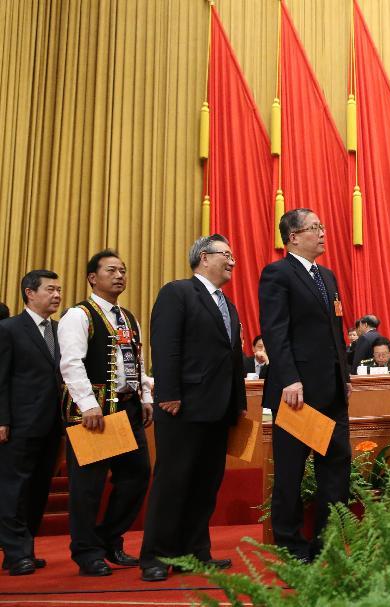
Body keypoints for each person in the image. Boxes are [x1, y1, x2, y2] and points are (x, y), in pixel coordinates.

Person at [139, 235, 247, 581]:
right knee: (173, 482)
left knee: (205, 484)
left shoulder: (227, 304)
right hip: (181, 407)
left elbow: (232, 359)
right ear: (204, 256)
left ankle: (194, 551)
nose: (232, 261)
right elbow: (165, 344)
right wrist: (168, 392)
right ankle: (155, 555)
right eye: (226, 254)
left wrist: (239, 404)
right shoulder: (178, 292)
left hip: (219, 410)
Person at [259, 208, 351, 563]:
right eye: (315, 228)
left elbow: (335, 334)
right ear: (293, 236)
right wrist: (290, 378)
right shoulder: (277, 274)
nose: (323, 233)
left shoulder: (327, 277)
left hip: (330, 390)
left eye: (322, 226)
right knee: (291, 471)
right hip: (296, 393)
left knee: (336, 466)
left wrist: (343, 376)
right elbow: (275, 331)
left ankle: (327, 540)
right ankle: (290, 543)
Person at [58, 250, 153, 576]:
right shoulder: (78, 315)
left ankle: (109, 537)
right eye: (111, 270)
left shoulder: (128, 317)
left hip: (126, 408)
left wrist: (145, 395)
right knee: (88, 486)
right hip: (94, 412)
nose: (119, 276)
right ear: (92, 278)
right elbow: (70, 364)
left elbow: (135, 362)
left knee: (138, 475)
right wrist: (87, 404)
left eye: (123, 270)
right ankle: (86, 552)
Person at [0, 271, 62, 576]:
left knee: (38, 490)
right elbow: (1, 378)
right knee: (14, 489)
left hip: (53, 425)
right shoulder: (9, 329)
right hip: (19, 423)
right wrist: (2, 419)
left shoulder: (61, 329)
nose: (57, 295)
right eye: (50, 289)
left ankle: (22, 550)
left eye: (59, 290)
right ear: (29, 293)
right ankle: (15, 551)